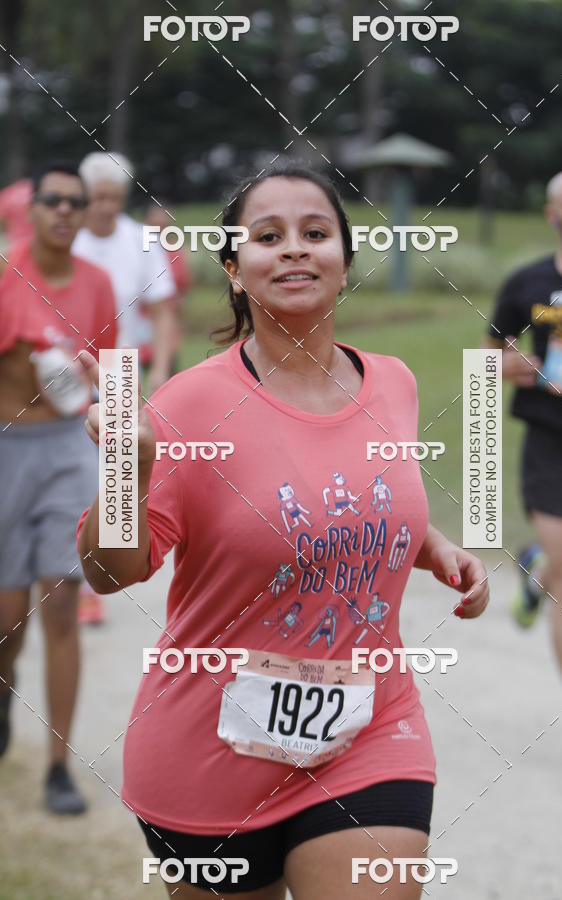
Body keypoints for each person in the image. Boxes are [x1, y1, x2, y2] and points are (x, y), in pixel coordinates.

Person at [78, 162, 489, 898]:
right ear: (234, 272)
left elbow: (355, 496)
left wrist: (433, 547)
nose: (295, 247)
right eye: (268, 237)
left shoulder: (394, 381)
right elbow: (111, 574)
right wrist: (125, 474)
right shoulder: (189, 405)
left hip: (371, 729)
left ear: (344, 261)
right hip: (209, 747)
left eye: (315, 232)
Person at [0, 161, 117, 813]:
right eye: (54, 200)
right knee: (7, 618)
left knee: (63, 607)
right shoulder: (6, 273)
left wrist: (122, 466)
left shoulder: (97, 284)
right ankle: (4, 689)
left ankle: (58, 768)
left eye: (77, 201)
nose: (66, 211)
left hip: (70, 448)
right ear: (33, 209)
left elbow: (112, 375)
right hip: (8, 450)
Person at [486, 167, 562, 757]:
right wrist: (513, 367)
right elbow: (485, 360)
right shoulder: (527, 282)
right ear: (553, 215)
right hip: (553, 448)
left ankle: (535, 569)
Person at [73, 152, 176, 624]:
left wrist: (162, 369)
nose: (107, 207)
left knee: (115, 471)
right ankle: (72, 579)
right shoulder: (69, 239)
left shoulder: (140, 241)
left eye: (115, 198)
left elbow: (164, 310)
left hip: (118, 370)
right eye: (98, 198)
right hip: (65, 371)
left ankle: (105, 570)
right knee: (73, 470)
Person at [144, 200, 193, 376]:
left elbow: (183, 286)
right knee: (125, 384)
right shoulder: (135, 249)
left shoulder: (176, 251)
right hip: (136, 324)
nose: (159, 231)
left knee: (166, 376)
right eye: (155, 227)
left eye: (163, 227)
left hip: (166, 324)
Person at [0, 177, 34, 248]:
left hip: (14, 241)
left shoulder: (8, 192)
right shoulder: (36, 191)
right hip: (34, 241)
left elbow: (2, 221)